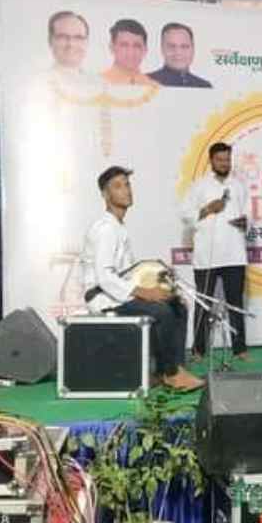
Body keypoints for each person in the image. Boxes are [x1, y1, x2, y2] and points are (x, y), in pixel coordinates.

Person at [82, 166, 205, 391]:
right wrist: (145, 293)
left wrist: (157, 282)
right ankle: (171, 373)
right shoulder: (106, 229)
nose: (126, 190)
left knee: (177, 305)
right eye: (118, 186)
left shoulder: (118, 227)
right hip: (103, 298)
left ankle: (168, 370)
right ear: (105, 195)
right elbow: (105, 277)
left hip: (117, 294)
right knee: (162, 311)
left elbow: (127, 273)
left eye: (127, 184)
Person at [181, 143, 250, 361]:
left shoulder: (238, 186)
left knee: (236, 303)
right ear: (211, 160)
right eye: (220, 160)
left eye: (227, 159)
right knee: (203, 304)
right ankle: (198, 350)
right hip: (206, 257)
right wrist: (208, 208)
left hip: (234, 254)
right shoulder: (199, 186)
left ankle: (240, 349)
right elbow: (185, 215)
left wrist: (245, 222)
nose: (224, 163)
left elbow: (249, 215)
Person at [148, 23, 212, 88]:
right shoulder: (145, 83)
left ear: (193, 49)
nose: (178, 52)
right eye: (171, 46)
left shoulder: (204, 86)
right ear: (162, 48)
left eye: (184, 46)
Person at [101, 19, 159, 86]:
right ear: (112, 48)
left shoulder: (156, 87)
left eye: (137, 46)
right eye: (124, 45)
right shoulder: (97, 84)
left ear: (145, 50)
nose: (131, 52)